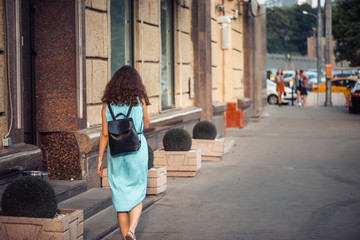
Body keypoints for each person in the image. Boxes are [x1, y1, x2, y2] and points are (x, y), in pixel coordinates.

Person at [97, 65, 151, 240]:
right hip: (137, 151)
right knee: (137, 192)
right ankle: (132, 231)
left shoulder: (107, 103)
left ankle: (124, 235)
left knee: (120, 197)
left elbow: (105, 133)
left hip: (116, 152)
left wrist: (99, 160)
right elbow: (147, 124)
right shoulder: (140, 99)